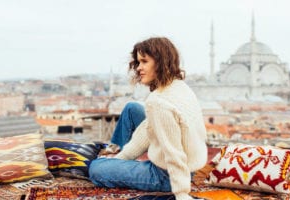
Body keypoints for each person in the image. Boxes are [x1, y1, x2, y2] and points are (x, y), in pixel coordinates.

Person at [89, 37, 208, 200]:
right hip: (191, 163)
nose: (139, 68)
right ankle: (116, 154)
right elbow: (148, 127)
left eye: (144, 62)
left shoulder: (158, 102)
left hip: (165, 176)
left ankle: (115, 163)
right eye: (138, 63)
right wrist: (122, 158)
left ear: (160, 62)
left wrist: (181, 193)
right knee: (133, 109)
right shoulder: (179, 87)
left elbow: (174, 152)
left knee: (96, 168)